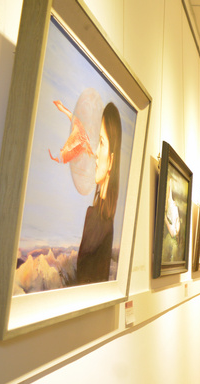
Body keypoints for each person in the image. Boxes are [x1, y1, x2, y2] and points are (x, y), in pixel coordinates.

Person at [76, 102, 122, 284]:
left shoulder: (103, 224)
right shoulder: (96, 217)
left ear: (111, 161)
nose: (95, 153)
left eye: (101, 143)